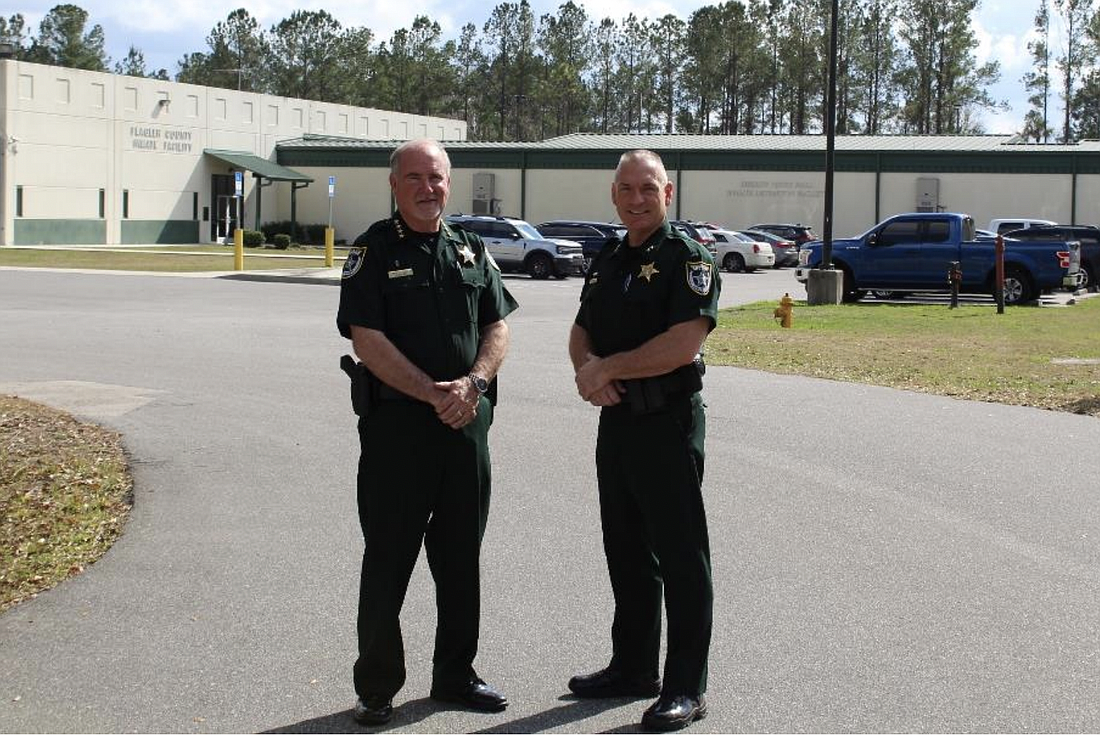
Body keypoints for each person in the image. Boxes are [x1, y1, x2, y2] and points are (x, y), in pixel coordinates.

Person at [336, 138, 518, 726]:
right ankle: (377, 686)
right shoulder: (373, 250)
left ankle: (455, 674)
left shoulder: (470, 248)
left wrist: (474, 384)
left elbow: (497, 326)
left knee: (461, 557)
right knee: (388, 559)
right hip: (398, 434)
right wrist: (434, 393)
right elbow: (367, 339)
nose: (426, 187)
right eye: (413, 177)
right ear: (394, 185)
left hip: (465, 429)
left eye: (436, 177)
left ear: (449, 182)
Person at [567, 149, 720, 732]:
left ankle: (686, 686)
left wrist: (608, 369)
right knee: (626, 549)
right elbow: (581, 330)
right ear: (614, 195)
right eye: (626, 189)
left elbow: (684, 343)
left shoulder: (687, 258)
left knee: (681, 556)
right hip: (618, 422)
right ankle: (633, 668)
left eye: (648, 189)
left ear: (668, 193)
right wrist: (589, 373)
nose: (636, 199)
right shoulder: (609, 257)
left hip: (667, 423)